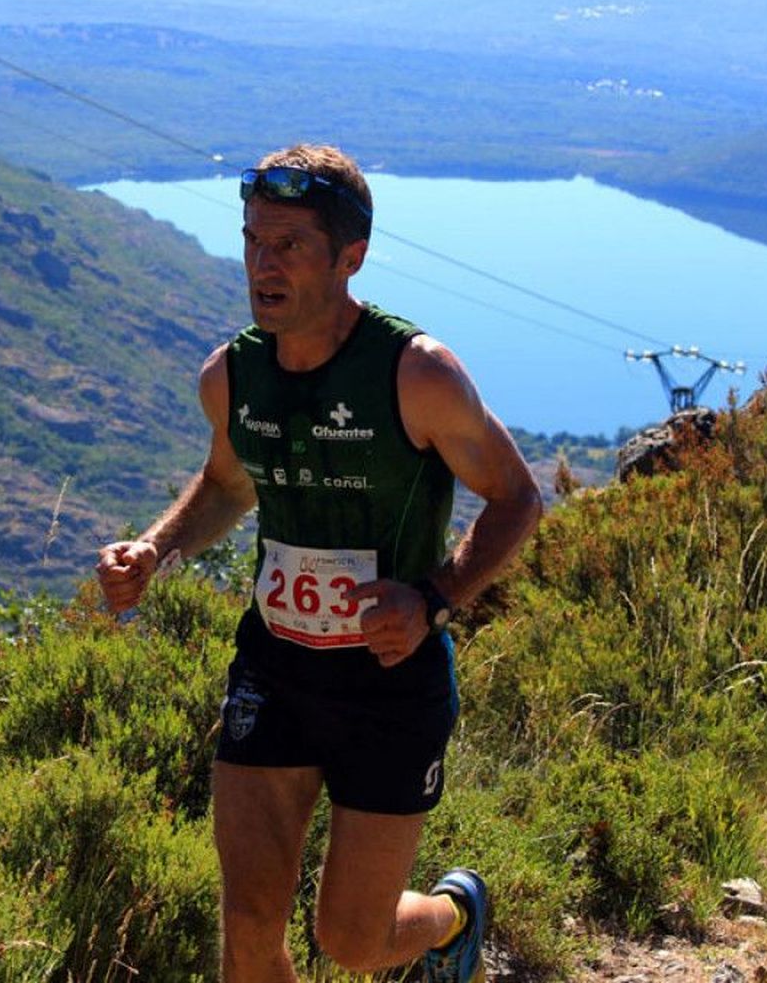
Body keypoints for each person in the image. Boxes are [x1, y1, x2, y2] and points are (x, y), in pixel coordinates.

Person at [96, 143, 542, 983]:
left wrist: (434, 597)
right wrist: (157, 548)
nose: (263, 264)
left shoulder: (417, 373)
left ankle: (453, 914)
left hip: (391, 685)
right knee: (250, 929)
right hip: (276, 672)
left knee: (352, 939)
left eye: (290, 244)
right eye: (253, 241)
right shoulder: (232, 375)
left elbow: (518, 498)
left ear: (351, 258)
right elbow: (228, 485)